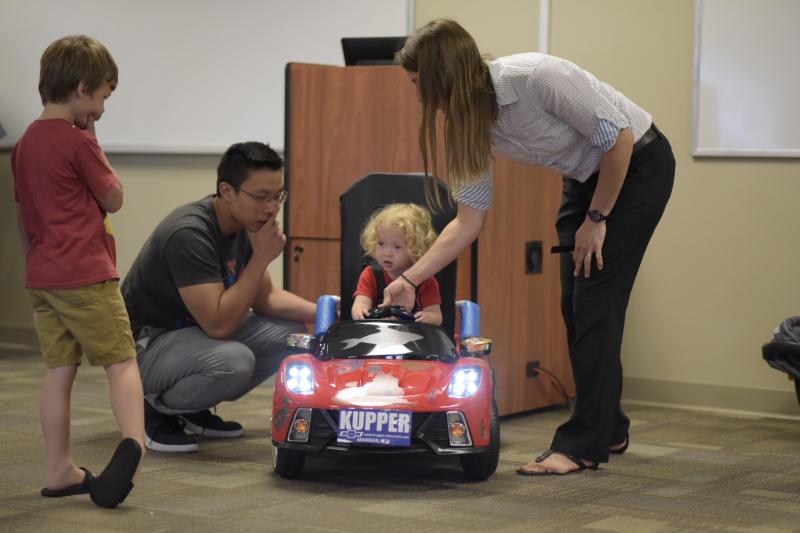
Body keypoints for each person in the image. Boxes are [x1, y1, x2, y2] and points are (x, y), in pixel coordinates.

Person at [385, 20, 675, 475]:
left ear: (444, 75)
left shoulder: (537, 77)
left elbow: (619, 140)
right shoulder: (469, 126)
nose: (420, 98)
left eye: (421, 84)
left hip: (637, 165)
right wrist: (409, 278)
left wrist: (596, 220)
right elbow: (468, 221)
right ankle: (610, 426)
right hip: (586, 178)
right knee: (575, 308)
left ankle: (582, 445)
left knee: (597, 301)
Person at [11, 35, 144, 508]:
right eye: (104, 96)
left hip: (43, 277)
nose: (103, 109)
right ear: (83, 87)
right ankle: (136, 444)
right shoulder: (77, 140)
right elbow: (114, 198)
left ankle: (60, 469)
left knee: (58, 370)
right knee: (122, 361)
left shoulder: (24, 142)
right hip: (85, 274)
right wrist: (91, 139)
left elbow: (25, 210)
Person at [121, 141, 316, 453]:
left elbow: (265, 299)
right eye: (260, 197)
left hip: (190, 336)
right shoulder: (189, 233)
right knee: (234, 361)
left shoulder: (245, 224)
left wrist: (327, 313)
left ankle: (190, 408)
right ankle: (152, 410)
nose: (271, 208)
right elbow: (219, 326)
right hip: (143, 348)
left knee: (290, 335)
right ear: (227, 192)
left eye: (277, 196)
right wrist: (261, 259)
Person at [351, 203, 443, 325]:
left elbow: (437, 316)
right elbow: (360, 304)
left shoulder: (426, 281)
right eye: (381, 244)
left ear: (415, 250)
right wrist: (359, 311)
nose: (387, 253)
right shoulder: (370, 274)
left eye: (397, 247)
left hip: (413, 338)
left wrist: (429, 317)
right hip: (376, 336)